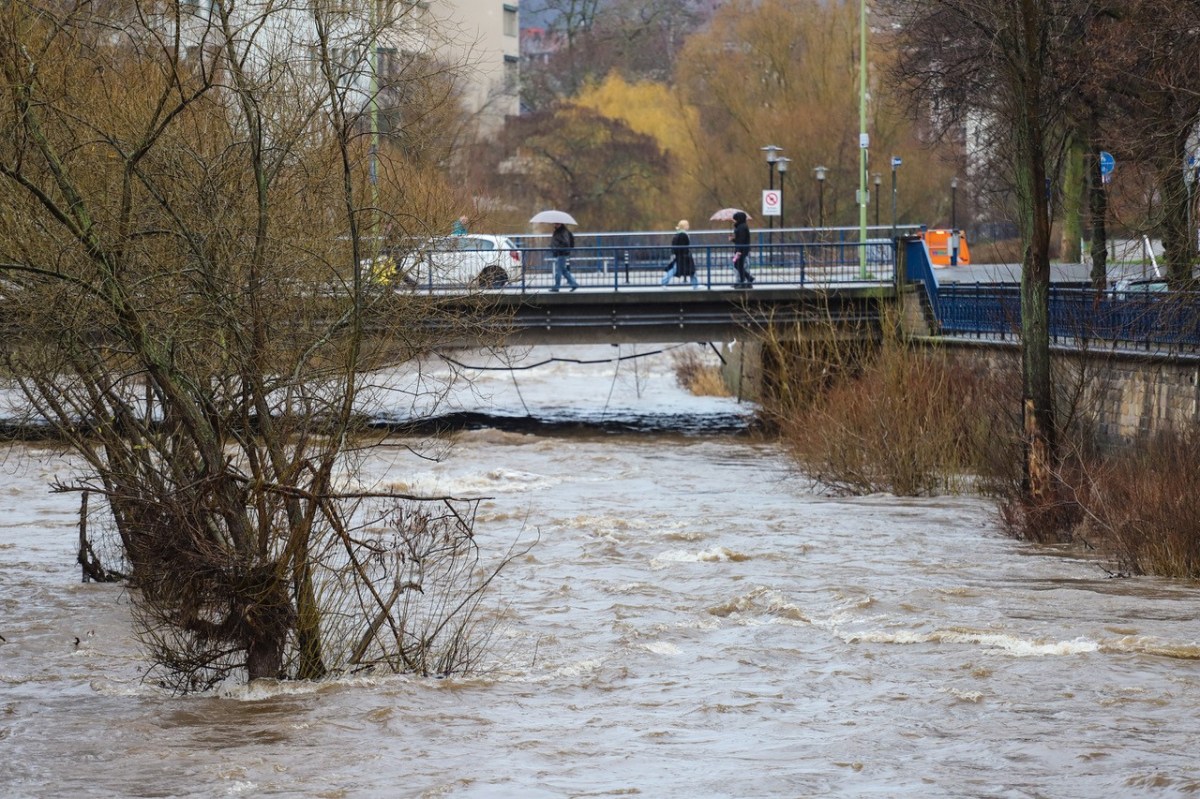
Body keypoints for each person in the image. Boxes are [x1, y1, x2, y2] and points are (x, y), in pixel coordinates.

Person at [660, 220, 699, 288]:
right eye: (687, 225)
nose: (688, 226)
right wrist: (686, 253)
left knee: (677, 269)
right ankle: (695, 285)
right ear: (684, 226)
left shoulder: (677, 234)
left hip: (680, 256)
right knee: (691, 271)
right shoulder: (683, 235)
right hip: (684, 257)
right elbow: (684, 246)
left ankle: (664, 283)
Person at [549, 222, 578, 292]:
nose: (555, 225)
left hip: (562, 253)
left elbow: (566, 243)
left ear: (561, 224)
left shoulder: (563, 232)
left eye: (557, 224)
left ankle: (557, 286)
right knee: (564, 270)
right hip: (559, 253)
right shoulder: (558, 231)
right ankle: (574, 284)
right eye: (555, 224)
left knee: (558, 270)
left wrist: (557, 247)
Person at [730, 211, 754, 288]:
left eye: (735, 219)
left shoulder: (742, 227)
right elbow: (739, 239)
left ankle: (745, 280)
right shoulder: (741, 226)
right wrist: (733, 239)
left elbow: (742, 240)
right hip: (741, 249)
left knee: (738, 265)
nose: (734, 221)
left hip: (741, 250)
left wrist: (739, 251)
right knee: (738, 265)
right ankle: (747, 279)